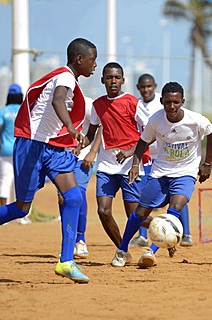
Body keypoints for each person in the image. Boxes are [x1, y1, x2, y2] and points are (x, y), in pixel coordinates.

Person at [0, 38, 98, 283]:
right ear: (79, 59)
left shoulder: (71, 81)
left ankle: (66, 261)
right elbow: (57, 100)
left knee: (74, 196)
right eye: (93, 59)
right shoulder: (64, 77)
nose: (95, 65)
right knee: (22, 208)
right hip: (31, 145)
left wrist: (70, 134)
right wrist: (70, 128)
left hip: (52, 148)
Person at [110, 81, 212, 268]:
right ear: (162, 101)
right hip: (161, 172)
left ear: (182, 101)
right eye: (168, 103)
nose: (172, 107)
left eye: (176, 102)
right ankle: (122, 250)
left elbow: (211, 133)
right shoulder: (156, 120)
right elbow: (143, 142)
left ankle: (151, 251)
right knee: (140, 213)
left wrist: (207, 164)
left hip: (186, 173)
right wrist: (135, 164)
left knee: (174, 210)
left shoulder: (195, 120)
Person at [83, 62, 150, 257]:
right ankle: (123, 250)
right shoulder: (97, 105)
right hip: (106, 166)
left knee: (135, 215)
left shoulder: (133, 103)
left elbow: (149, 133)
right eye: (109, 77)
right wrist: (78, 146)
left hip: (130, 167)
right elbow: (91, 134)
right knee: (103, 211)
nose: (113, 81)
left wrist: (130, 152)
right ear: (102, 80)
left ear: (123, 80)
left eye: (117, 77)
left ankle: (164, 228)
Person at [130, 73, 194, 248]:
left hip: (169, 157)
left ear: (155, 86)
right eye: (142, 87)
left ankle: (185, 233)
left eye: (149, 86)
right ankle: (142, 236)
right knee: (145, 198)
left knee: (178, 196)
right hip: (148, 157)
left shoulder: (167, 100)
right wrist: (134, 154)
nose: (146, 90)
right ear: (138, 88)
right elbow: (143, 135)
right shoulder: (137, 106)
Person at [55, 96, 102, 258]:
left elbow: (101, 126)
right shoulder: (56, 102)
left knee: (78, 194)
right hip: (60, 156)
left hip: (83, 156)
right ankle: (67, 243)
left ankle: (80, 240)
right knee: (63, 198)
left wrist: (92, 152)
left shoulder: (88, 103)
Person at [0, 84, 32, 224]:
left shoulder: (3, 111)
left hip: (5, 150)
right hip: (22, 151)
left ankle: (3, 217)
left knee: (5, 180)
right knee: (20, 182)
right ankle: (21, 216)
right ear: (21, 95)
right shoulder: (24, 110)